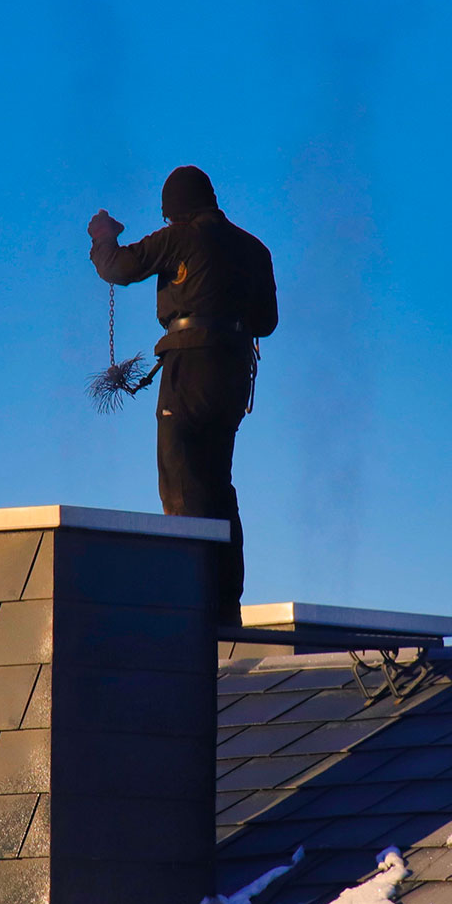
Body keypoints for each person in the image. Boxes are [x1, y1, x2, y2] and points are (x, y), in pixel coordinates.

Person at [88, 165, 278, 626]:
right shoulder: (255, 249)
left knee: (180, 482)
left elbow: (119, 267)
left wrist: (101, 236)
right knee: (217, 484)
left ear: (176, 209)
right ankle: (227, 603)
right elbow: (267, 323)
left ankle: (192, 604)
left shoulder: (180, 238)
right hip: (233, 377)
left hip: (188, 370)